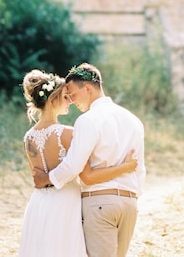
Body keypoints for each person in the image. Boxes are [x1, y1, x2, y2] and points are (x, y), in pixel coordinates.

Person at [19, 69, 138, 257]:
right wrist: (126, 167)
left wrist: (46, 179)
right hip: (65, 201)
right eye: (66, 97)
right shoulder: (67, 133)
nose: (71, 102)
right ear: (52, 101)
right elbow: (84, 173)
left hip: (39, 202)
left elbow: (37, 177)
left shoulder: (28, 137)